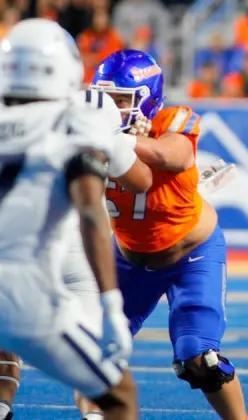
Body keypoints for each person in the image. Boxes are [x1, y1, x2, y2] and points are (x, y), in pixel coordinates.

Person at [90, 49, 248, 420]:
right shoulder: (87, 135)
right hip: (128, 256)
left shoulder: (173, 120)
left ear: (148, 99)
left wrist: (121, 142)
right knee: (92, 353)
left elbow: (170, 156)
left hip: (192, 254)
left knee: (199, 359)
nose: (110, 108)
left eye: (120, 100)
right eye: (104, 97)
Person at [0, 18, 138, 420]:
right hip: (24, 289)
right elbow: (91, 209)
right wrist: (112, 303)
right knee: (118, 395)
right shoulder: (78, 117)